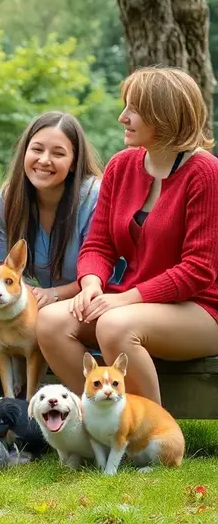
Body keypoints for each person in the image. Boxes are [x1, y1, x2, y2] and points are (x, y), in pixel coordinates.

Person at [37, 66, 218, 403]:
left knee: (114, 325)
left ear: (164, 116)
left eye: (133, 109)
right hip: (132, 303)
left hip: (201, 309)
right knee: (49, 321)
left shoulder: (204, 172)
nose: (123, 117)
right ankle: (102, 425)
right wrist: (91, 285)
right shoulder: (121, 166)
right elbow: (99, 244)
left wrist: (123, 299)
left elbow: (198, 270)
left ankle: (152, 435)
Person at [0, 112, 104, 396]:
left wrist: (56, 293)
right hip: (35, 300)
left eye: (58, 153)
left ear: (74, 163)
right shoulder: (12, 196)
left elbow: (102, 268)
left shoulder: (93, 197)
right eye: (37, 149)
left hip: (86, 301)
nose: (44, 160)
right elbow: (2, 265)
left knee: (48, 319)